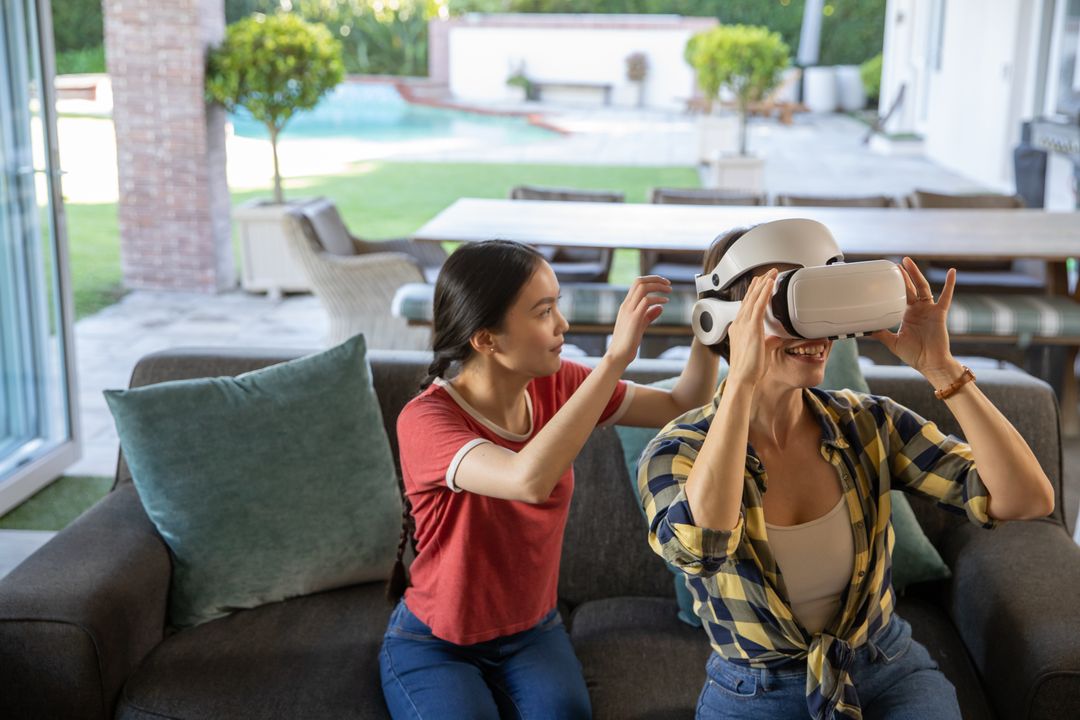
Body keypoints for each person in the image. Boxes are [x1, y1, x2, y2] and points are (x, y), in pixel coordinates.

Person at [638, 226, 1055, 720]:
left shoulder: (867, 422)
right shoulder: (675, 452)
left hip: (885, 666)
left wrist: (941, 368)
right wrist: (743, 382)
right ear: (727, 321)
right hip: (755, 690)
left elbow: (1027, 499)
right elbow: (703, 548)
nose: (818, 336)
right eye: (792, 309)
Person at [380, 239, 723, 719]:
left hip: (532, 632)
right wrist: (613, 360)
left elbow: (679, 404)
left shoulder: (557, 383)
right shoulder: (426, 422)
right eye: (543, 312)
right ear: (486, 338)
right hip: (437, 641)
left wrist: (711, 325)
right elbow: (527, 480)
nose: (562, 325)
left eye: (556, 304)